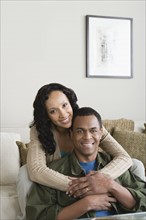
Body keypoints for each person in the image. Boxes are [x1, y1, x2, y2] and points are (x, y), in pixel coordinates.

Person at [16, 83, 144, 219]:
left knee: (135, 164)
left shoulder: (86, 121)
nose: (63, 114)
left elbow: (124, 157)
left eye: (65, 105)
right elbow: (36, 169)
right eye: (53, 111)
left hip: (91, 171)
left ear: (71, 103)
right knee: (25, 173)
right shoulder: (40, 130)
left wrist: (101, 181)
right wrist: (83, 189)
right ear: (47, 115)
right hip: (58, 175)